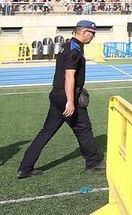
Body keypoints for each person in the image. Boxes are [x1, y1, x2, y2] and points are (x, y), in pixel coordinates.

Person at [17, 20, 105, 178]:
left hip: (56, 95)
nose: (93, 36)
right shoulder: (75, 50)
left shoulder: (68, 44)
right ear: (84, 32)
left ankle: (25, 167)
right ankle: (94, 163)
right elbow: (69, 76)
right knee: (84, 129)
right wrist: (70, 101)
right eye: (93, 33)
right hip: (66, 96)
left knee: (46, 132)